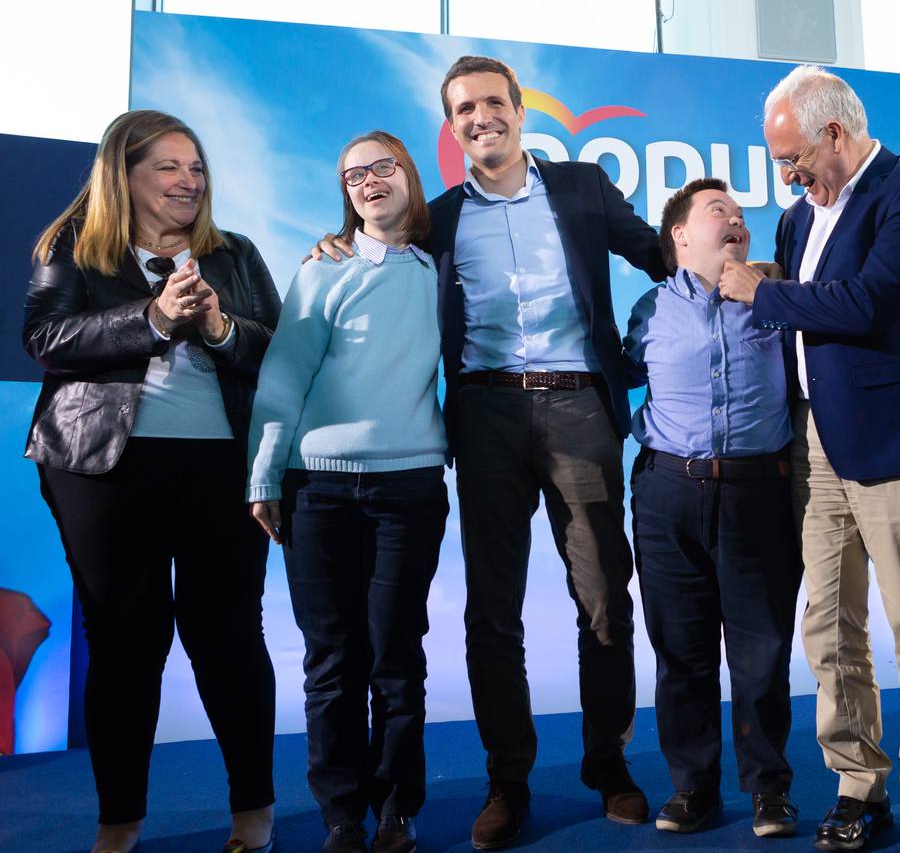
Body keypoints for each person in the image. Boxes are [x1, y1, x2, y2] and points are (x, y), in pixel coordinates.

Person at [314, 55, 665, 849]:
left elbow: (657, 253)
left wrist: (728, 265)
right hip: (485, 414)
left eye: (492, 103)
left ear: (518, 109)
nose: (481, 117)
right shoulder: (435, 218)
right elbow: (371, 241)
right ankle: (508, 780)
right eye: (464, 109)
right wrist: (328, 248)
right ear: (453, 125)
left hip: (581, 406)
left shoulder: (580, 188)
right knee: (491, 613)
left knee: (606, 599)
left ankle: (608, 764)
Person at [720, 66, 900, 852]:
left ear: (834, 133)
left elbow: (869, 301)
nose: (784, 176)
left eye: (791, 157)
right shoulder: (799, 217)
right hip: (817, 444)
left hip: (899, 436)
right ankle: (856, 779)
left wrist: (756, 292)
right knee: (828, 625)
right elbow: (806, 297)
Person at [23, 109, 280, 853]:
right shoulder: (73, 246)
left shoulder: (234, 254)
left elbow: (275, 348)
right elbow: (46, 339)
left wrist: (219, 327)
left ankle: (253, 814)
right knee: (125, 643)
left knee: (229, 636)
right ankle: (119, 822)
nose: (187, 180)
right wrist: (155, 317)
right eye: (168, 166)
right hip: (103, 471)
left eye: (195, 167)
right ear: (124, 175)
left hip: (221, 468)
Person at [248, 131, 447, 853]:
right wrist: (265, 476)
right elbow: (284, 376)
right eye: (352, 175)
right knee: (331, 659)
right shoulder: (321, 270)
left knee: (397, 654)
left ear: (409, 176)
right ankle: (341, 816)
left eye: (380, 167)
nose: (367, 181)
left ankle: (397, 810)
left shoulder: (443, 267)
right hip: (317, 490)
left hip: (411, 486)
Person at [623, 178, 803, 838]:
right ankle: (692, 789)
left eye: (740, 212)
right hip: (668, 494)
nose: (737, 219)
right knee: (682, 653)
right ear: (680, 236)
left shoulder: (776, 299)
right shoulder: (647, 310)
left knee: (761, 653)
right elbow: (616, 380)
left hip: (758, 492)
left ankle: (769, 790)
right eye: (718, 210)